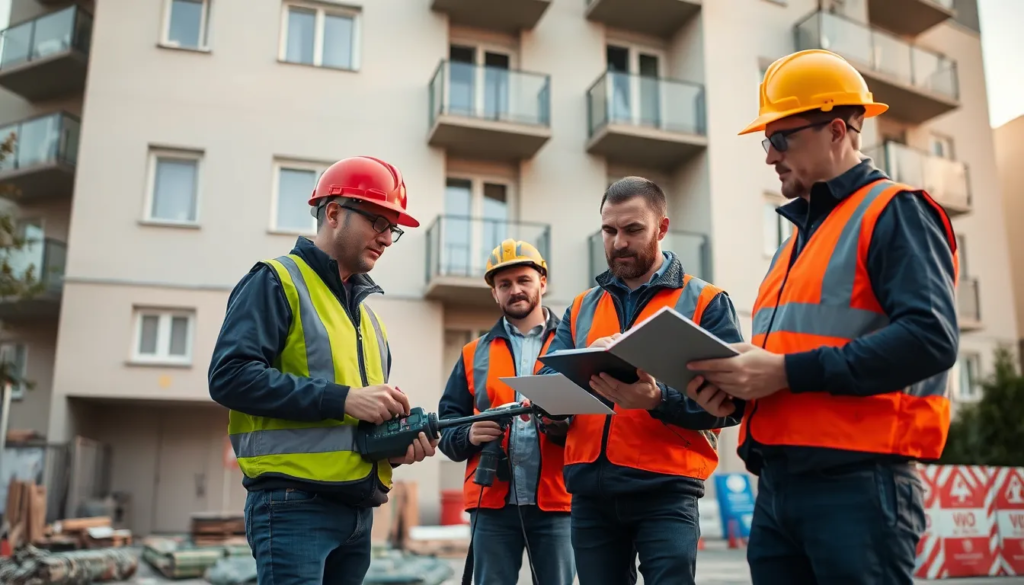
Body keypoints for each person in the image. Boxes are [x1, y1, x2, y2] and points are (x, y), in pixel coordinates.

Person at [685, 49, 960, 585]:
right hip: (781, 489)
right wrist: (734, 391)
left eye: (780, 139)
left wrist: (785, 372)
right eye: (768, 142)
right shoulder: (793, 245)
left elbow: (931, 339)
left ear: (836, 130)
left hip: (859, 486)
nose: (769, 157)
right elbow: (788, 362)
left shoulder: (895, 211)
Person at [208, 156, 440, 585]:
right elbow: (229, 376)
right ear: (333, 212)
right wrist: (346, 398)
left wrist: (391, 446)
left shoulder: (368, 321)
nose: (387, 238)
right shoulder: (277, 280)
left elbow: (349, 426)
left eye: (394, 228)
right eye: (377, 221)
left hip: (357, 514)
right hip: (293, 506)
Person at [536, 177, 745, 585]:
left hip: (666, 491)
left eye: (633, 230)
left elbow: (732, 403)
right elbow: (549, 381)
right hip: (590, 493)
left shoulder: (705, 302)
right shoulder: (581, 307)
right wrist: (558, 401)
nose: (618, 243)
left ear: (662, 229)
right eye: (609, 230)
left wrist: (657, 399)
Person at [437, 239, 575, 585]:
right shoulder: (472, 353)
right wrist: (469, 434)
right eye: (504, 284)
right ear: (494, 294)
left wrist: (561, 425)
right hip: (491, 503)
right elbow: (447, 429)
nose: (515, 290)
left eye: (523, 280)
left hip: (558, 500)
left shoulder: (573, 346)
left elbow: (597, 421)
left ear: (542, 282)